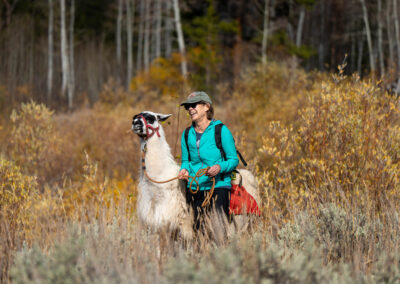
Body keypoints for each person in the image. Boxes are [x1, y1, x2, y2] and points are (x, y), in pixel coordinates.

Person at [178, 91, 239, 232]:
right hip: (195, 189)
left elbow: (233, 160)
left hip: (219, 187)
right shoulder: (186, 134)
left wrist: (219, 167)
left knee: (217, 231)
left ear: (206, 106)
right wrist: (184, 170)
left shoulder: (221, 130)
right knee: (198, 234)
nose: (190, 109)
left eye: (194, 105)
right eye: (188, 107)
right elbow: (186, 160)